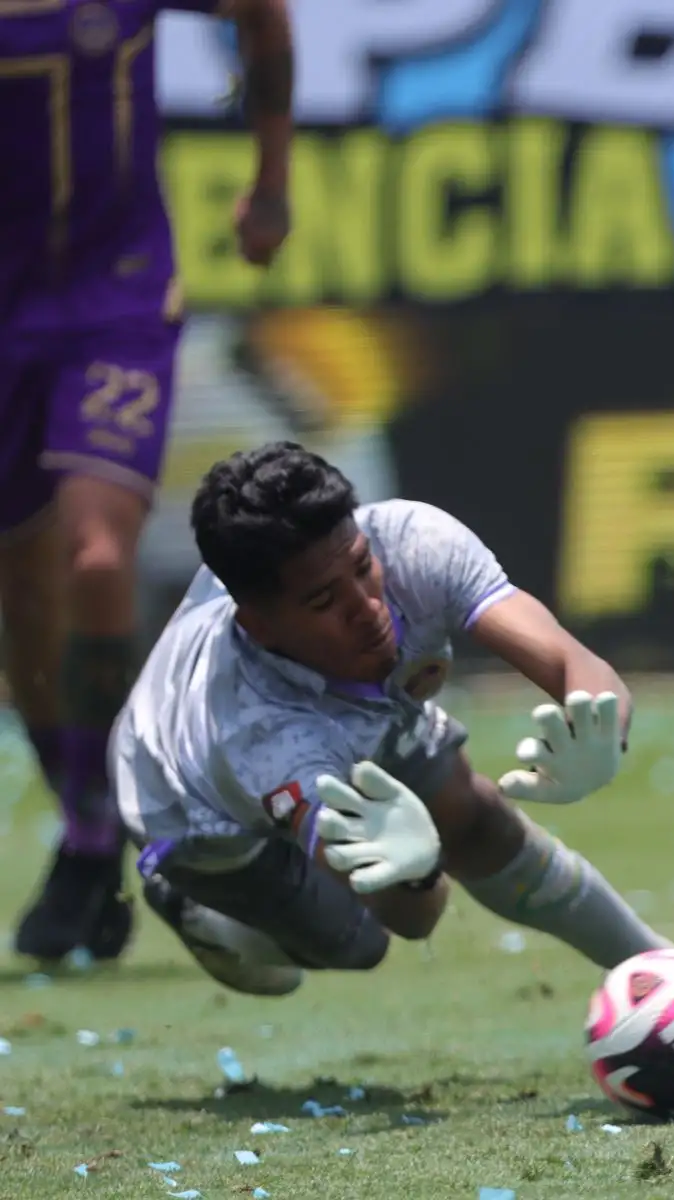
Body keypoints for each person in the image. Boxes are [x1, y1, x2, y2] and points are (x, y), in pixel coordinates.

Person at [113, 443, 674, 1058]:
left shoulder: (413, 542)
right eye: (326, 602)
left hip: (355, 715)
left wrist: (601, 732)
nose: (367, 608)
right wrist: (417, 872)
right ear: (262, 625)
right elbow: (411, 917)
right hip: (193, 814)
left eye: (362, 566)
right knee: (358, 944)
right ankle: (194, 908)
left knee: (476, 817)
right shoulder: (263, 736)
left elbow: (577, 667)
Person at [0, 0, 294, 963]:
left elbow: (261, 15)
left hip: (113, 298)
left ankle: (102, 841)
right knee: (24, 589)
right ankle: (88, 813)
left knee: (93, 560)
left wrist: (272, 183)